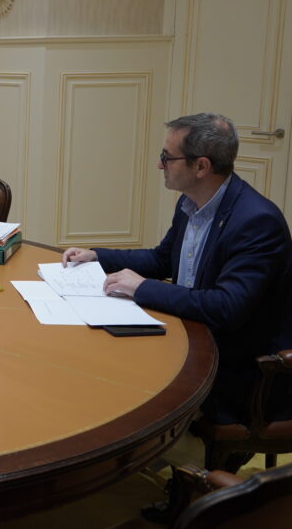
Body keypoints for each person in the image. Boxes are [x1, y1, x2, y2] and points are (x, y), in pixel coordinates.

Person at [63, 113, 292, 427]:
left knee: (116, 393)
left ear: (200, 167)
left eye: (167, 158)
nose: (160, 165)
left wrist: (141, 288)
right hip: (188, 338)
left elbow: (226, 307)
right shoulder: (191, 203)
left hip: (234, 372)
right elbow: (162, 260)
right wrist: (95, 256)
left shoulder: (256, 222)